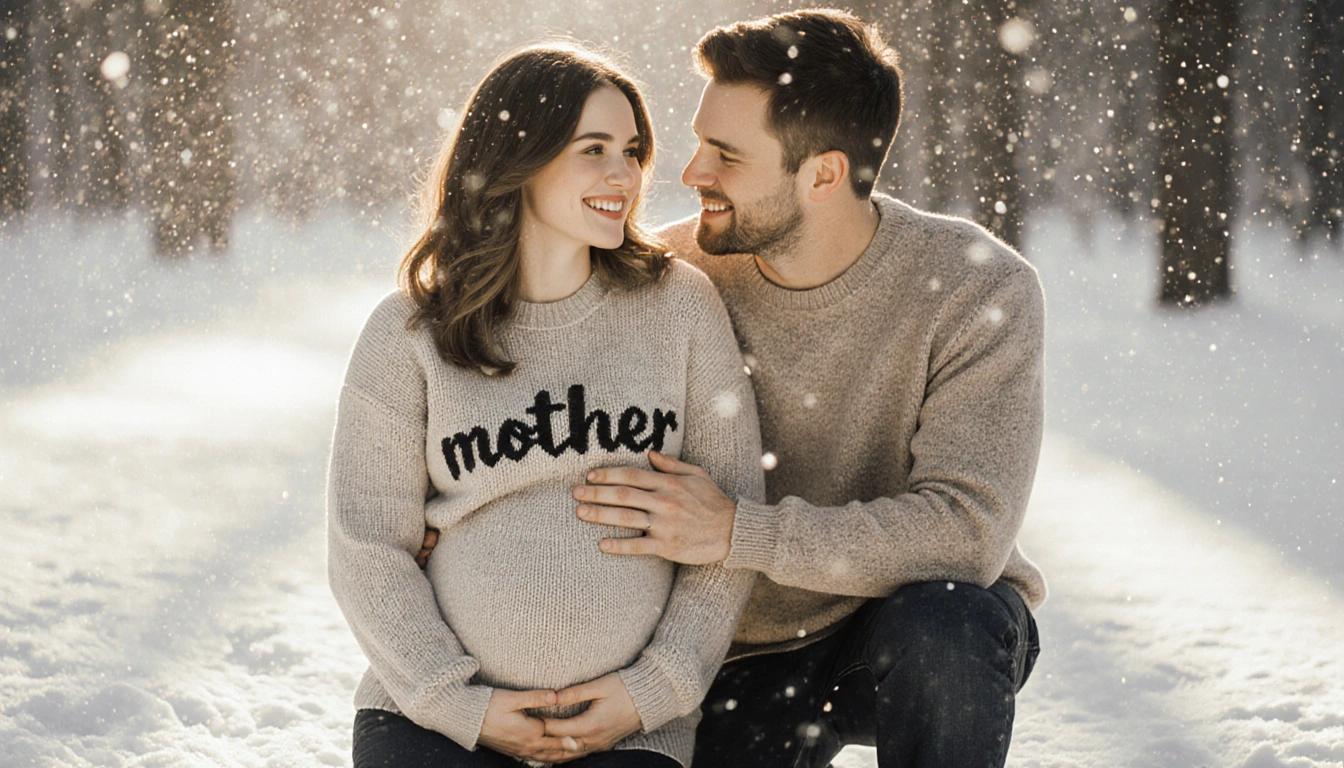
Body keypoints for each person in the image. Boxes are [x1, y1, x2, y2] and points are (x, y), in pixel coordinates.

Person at [565, 10, 1047, 767]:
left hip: (888, 624)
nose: (691, 175)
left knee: (950, 624)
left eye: (725, 155)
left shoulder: (975, 287)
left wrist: (739, 532)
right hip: (728, 651)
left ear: (822, 174)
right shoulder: (663, 276)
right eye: (698, 144)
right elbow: (541, 408)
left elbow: (967, 531)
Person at [326, 42, 764, 768]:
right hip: (435, 719)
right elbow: (366, 550)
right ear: (518, 158)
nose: (623, 175)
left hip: (632, 729)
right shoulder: (410, 332)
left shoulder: (681, 306)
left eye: (632, 151)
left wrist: (653, 691)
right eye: (594, 149)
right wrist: (458, 703)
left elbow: (728, 530)